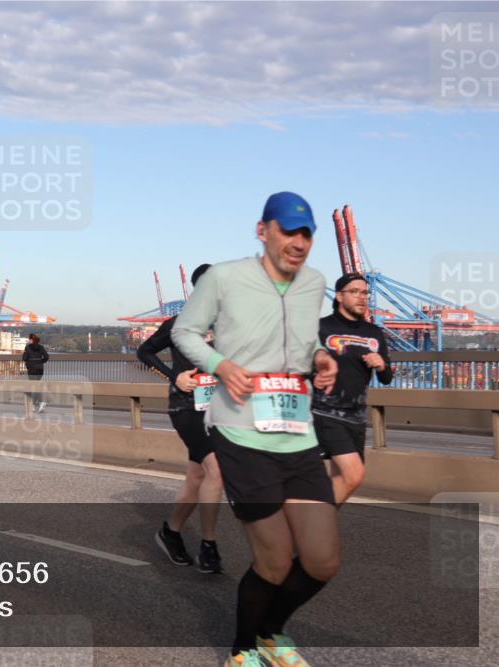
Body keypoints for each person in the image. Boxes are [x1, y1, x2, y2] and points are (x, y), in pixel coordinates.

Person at [173, 192, 340, 667]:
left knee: (323, 559)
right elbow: (186, 331)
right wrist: (220, 364)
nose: (299, 242)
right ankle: (243, 649)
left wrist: (321, 358)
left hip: (298, 433)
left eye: (307, 233)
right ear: (262, 230)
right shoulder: (225, 277)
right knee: (275, 559)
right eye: (289, 230)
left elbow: (303, 345)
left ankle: (271, 632)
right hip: (241, 432)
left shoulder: (314, 283)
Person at [136, 263, 223, 574]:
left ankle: (170, 532)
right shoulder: (178, 324)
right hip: (186, 407)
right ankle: (209, 546)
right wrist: (174, 377)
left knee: (196, 478)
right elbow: (144, 352)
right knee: (217, 469)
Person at [313, 273, 393, 504]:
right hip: (323, 412)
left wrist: (382, 364)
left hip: (357, 416)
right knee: (354, 474)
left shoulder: (374, 333)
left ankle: (310, 527)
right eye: (354, 292)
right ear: (339, 296)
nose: (362, 297)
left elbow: (386, 378)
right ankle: (315, 527)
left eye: (365, 293)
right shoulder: (321, 327)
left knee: (343, 480)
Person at [21, 333, 50, 413]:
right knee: (37, 385)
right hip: (40, 369)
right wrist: (41, 361)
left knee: (33, 386)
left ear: (31, 340)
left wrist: (25, 353)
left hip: (31, 369)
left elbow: (24, 358)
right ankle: (40, 403)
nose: (28, 340)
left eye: (29, 339)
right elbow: (46, 356)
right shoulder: (41, 347)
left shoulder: (27, 347)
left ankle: (34, 404)